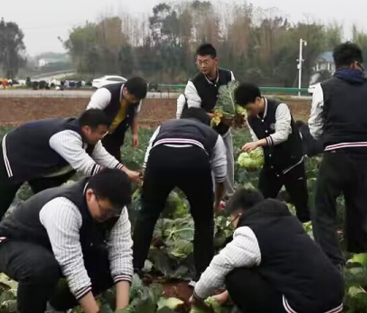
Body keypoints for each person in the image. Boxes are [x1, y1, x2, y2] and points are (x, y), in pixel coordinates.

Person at [0, 109, 142, 237]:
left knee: (49, 201)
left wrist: (129, 173)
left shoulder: (91, 139)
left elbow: (104, 158)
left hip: (42, 165)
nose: (102, 136)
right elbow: (87, 167)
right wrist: (117, 179)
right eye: (100, 133)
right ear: (86, 129)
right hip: (15, 153)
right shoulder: (65, 137)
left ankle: (39, 235)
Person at [0, 169, 134, 313]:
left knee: (107, 263)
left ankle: (53, 307)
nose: (109, 216)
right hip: (14, 243)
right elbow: (73, 268)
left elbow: (121, 254)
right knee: (41, 268)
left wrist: (122, 309)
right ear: (90, 195)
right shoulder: (64, 208)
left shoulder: (115, 211)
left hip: (54, 248)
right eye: (105, 211)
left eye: (114, 213)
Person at [190, 189, 344, 313]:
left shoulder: (251, 231)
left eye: (232, 220)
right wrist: (225, 295)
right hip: (334, 301)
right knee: (253, 263)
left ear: (240, 215)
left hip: (304, 307)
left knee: (234, 276)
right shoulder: (288, 221)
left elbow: (221, 263)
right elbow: (278, 264)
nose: (233, 226)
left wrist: (197, 296)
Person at [308, 42, 367, 267]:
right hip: (362, 157)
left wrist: (330, 140)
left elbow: (315, 128)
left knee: (323, 206)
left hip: (335, 156)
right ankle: (357, 250)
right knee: (358, 204)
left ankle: (332, 259)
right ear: (356, 64)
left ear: (337, 64)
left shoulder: (324, 88)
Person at [133, 107, 227, 281]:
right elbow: (221, 177)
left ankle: (135, 267)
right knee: (203, 221)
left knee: (147, 215)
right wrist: (216, 203)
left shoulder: (164, 126)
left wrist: (149, 191)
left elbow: (146, 163)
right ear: (205, 123)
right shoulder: (212, 135)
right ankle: (202, 275)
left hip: (159, 158)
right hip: (194, 160)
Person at [234, 83, 310, 222]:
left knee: (301, 207)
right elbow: (255, 139)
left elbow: (282, 134)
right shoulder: (251, 117)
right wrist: (255, 161)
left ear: (258, 100)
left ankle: (307, 234)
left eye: (250, 108)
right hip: (271, 167)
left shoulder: (279, 108)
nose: (248, 112)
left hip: (292, 164)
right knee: (259, 205)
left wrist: (258, 143)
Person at [184, 43, 236, 197]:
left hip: (224, 131)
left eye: (206, 61)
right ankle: (211, 197)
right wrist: (218, 117)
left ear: (215, 61)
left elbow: (233, 98)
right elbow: (195, 112)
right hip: (204, 133)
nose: (202, 66)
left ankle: (228, 198)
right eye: (199, 62)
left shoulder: (228, 76)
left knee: (228, 164)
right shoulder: (193, 84)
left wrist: (234, 115)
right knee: (207, 165)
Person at [86, 76, 148, 161]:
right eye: (133, 99)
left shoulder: (136, 99)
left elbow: (134, 116)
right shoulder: (105, 94)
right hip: (98, 132)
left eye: (137, 100)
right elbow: (89, 115)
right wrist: (93, 135)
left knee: (114, 160)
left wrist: (134, 134)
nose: (134, 102)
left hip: (116, 133)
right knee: (95, 159)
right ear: (125, 90)